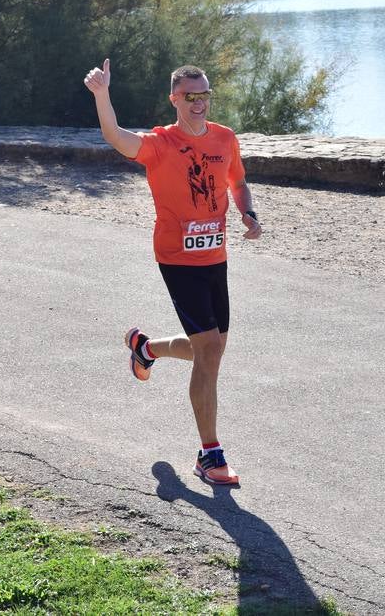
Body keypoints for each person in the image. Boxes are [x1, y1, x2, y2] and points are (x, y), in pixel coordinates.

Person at [83, 58, 262, 486]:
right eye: (190, 96)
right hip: (177, 258)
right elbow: (115, 137)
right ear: (175, 100)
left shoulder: (225, 138)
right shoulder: (161, 143)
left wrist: (248, 213)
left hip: (215, 256)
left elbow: (237, 182)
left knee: (212, 347)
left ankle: (148, 350)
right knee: (211, 352)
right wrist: (102, 95)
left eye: (204, 95)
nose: (199, 103)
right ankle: (209, 454)